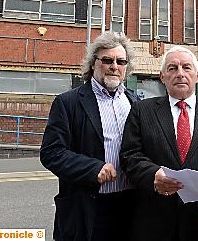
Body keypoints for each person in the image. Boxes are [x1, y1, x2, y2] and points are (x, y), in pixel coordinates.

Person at [120, 45, 198, 241]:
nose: (180, 74)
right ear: (162, 77)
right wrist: (153, 174)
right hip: (153, 224)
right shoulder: (142, 111)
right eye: (172, 68)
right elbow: (129, 156)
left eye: (186, 67)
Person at [40, 31, 138, 241]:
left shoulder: (135, 103)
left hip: (130, 206)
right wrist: (93, 168)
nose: (114, 66)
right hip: (87, 209)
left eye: (121, 61)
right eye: (107, 60)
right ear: (94, 63)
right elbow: (51, 153)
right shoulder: (68, 102)